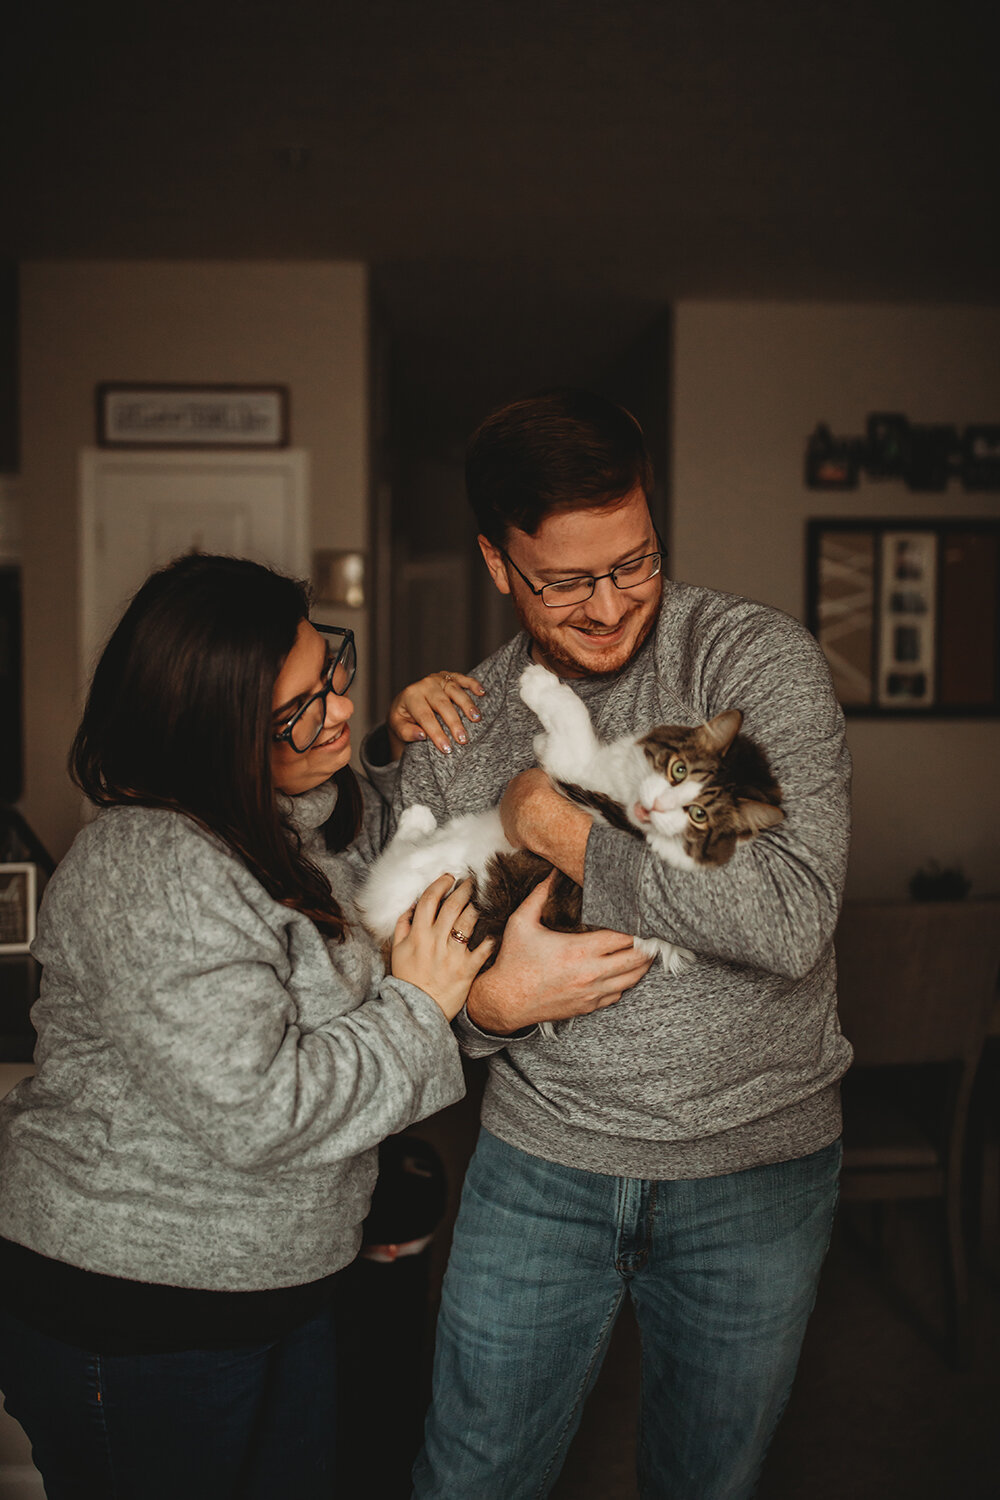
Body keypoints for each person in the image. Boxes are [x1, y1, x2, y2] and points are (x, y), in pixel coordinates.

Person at [383, 389, 853, 1500]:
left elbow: (783, 916)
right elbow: (404, 961)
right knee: (470, 1478)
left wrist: (563, 835)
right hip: (540, 1164)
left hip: (754, 1165)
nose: (610, 605)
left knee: (708, 1480)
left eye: (635, 563)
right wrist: (485, 1013)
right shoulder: (464, 722)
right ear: (499, 565)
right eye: (567, 580)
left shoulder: (739, 674)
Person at [0, 551, 494, 1499]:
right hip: (138, 1312)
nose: (340, 707)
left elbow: (368, 837)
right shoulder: (152, 868)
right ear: (214, 736)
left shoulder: (286, 822)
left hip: (272, 1286)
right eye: (302, 709)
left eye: (331, 670)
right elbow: (263, 1111)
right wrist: (419, 1005)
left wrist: (409, 735)